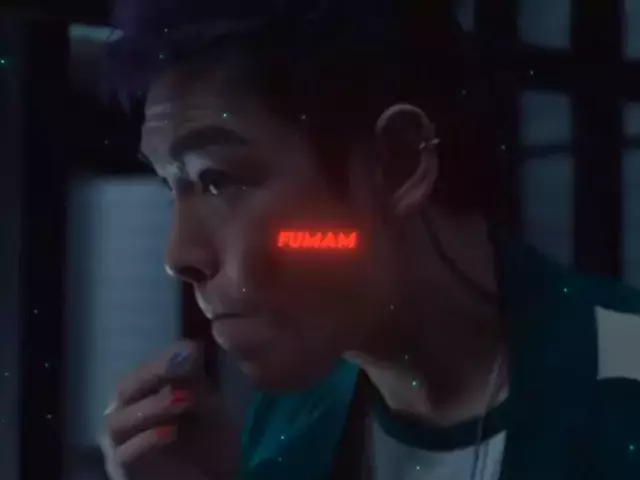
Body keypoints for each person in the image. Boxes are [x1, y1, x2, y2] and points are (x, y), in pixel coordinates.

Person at [99, 1, 640, 479]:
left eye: (219, 179)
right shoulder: (289, 425)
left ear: (397, 163)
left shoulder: (624, 376)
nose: (179, 256)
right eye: (171, 187)